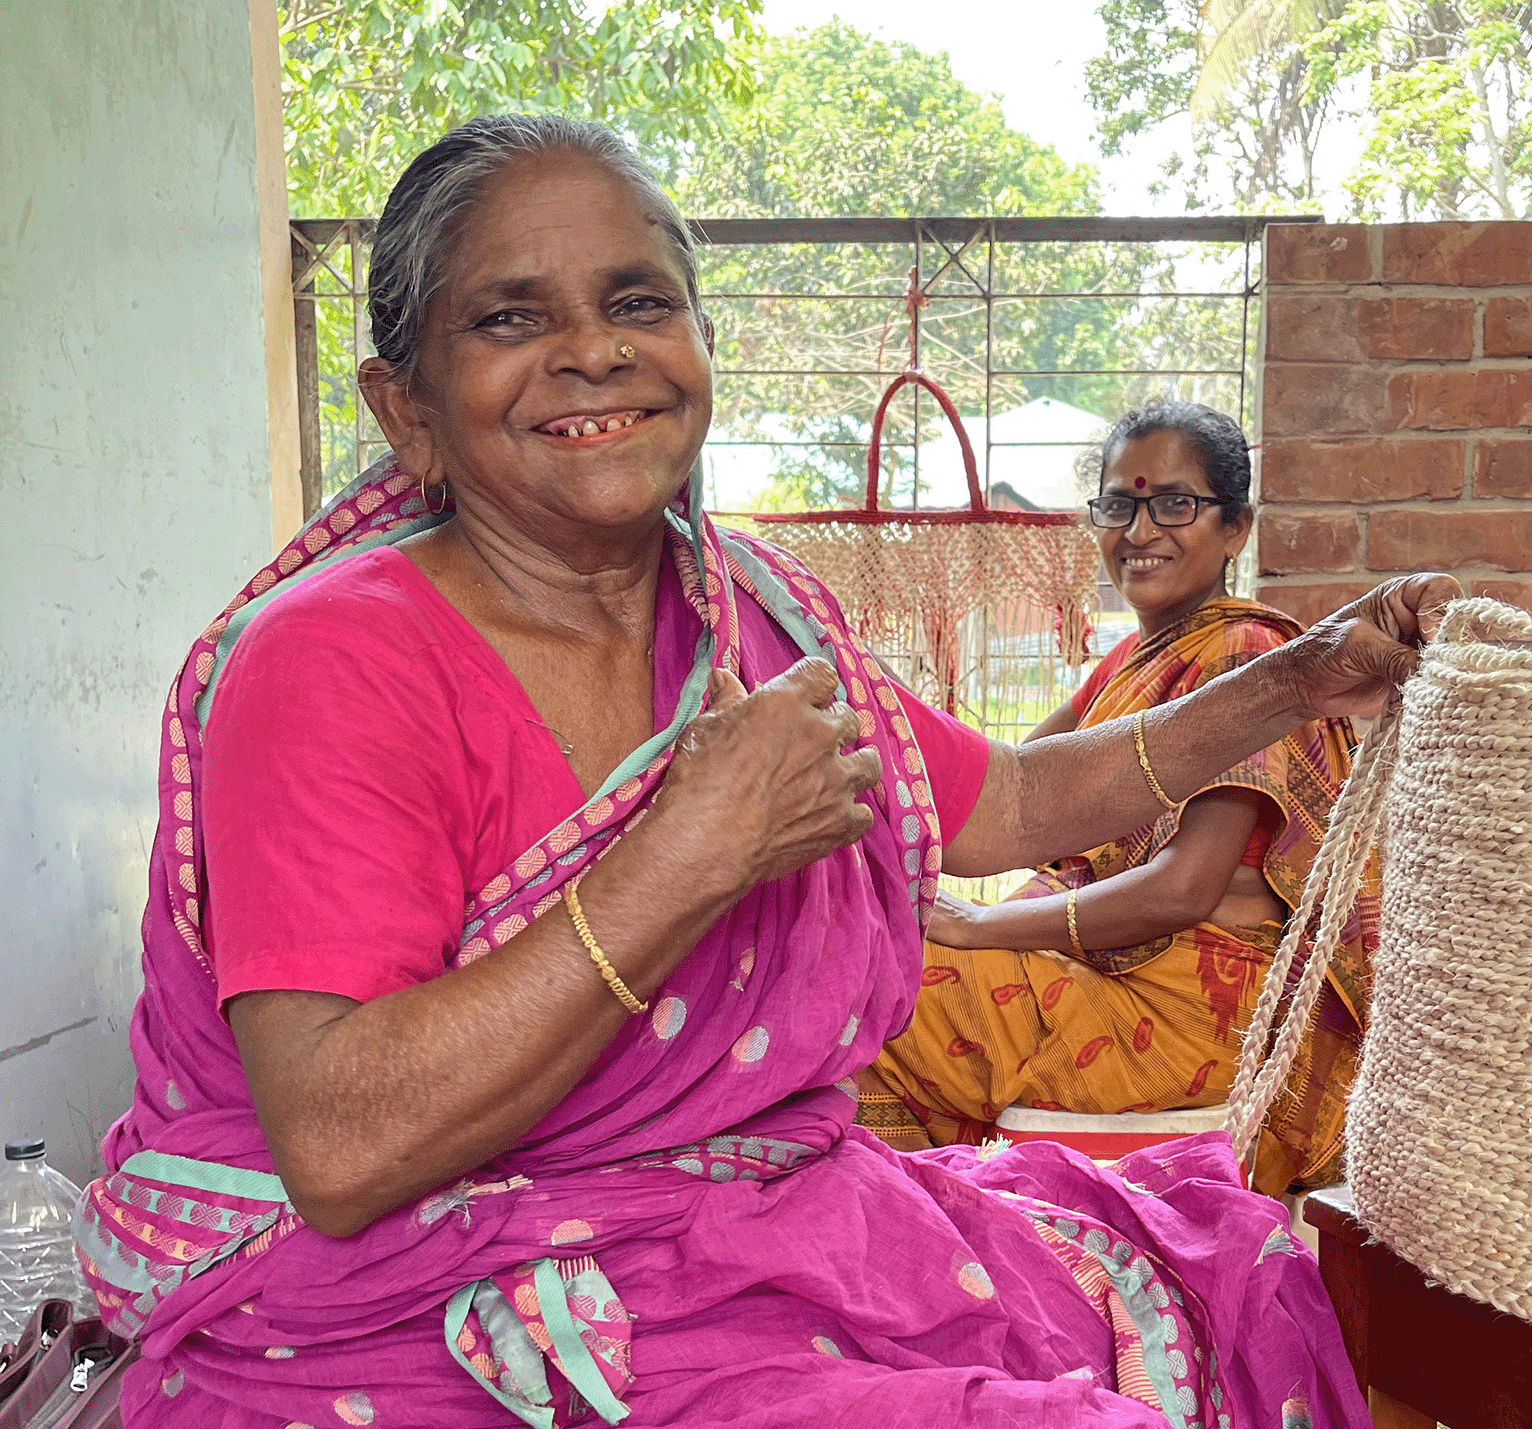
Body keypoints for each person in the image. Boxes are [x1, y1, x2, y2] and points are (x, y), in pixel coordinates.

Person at [76, 116, 1453, 1429]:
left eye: (638, 302)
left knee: (1229, 1270)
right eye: (510, 317)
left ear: (699, 342)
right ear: (406, 407)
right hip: (411, 1304)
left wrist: (1291, 678)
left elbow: (1021, 804)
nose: (593, 355)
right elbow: (339, 1148)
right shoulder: (331, 663)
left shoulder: (753, 615)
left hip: (731, 1231)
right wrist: (690, 853)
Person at [862, 402, 1374, 1195]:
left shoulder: (1247, 655)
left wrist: (978, 923)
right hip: (1108, 980)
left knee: (863, 985)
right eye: (1118, 505)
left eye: (1175, 503)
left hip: (1192, 1020)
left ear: (1235, 527)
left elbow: (1183, 886)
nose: (1139, 531)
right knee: (849, 951)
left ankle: (893, 1248)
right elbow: (1004, 787)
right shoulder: (1129, 662)